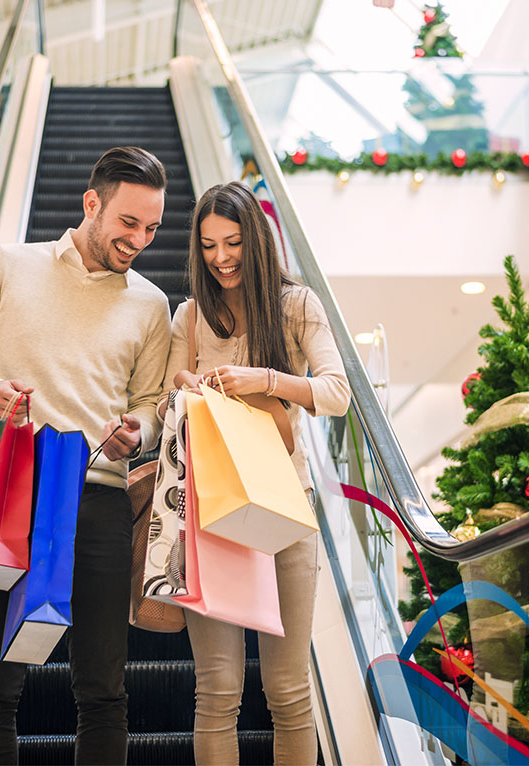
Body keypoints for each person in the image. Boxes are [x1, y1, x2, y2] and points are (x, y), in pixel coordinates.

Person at [0, 146, 172, 765]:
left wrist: (139, 430)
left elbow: (151, 402)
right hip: (11, 490)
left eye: (152, 228)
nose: (140, 240)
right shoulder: (9, 265)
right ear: (92, 203)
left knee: (103, 691)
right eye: (129, 223)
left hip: (99, 502)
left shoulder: (151, 304)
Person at [160, 181, 351, 765]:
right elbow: (170, 388)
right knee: (216, 691)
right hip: (211, 513)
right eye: (210, 245)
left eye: (235, 242)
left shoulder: (297, 305)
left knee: (289, 692)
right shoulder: (190, 315)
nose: (221, 258)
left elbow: (337, 394)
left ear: (258, 241)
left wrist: (264, 380)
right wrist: (188, 386)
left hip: (286, 510)